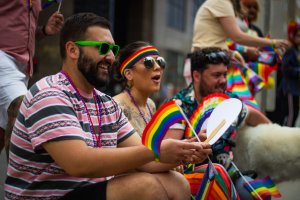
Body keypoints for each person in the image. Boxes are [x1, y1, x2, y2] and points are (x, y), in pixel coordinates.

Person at [4, 12, 212, 200]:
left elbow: (146, 159)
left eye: (113, 49)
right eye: (103, 48)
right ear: (73, 50)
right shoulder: (50, 93)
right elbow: (79, 162)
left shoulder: (106, 104)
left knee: (176, 181)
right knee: (145, 186)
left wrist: (185, 152)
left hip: (88, 192)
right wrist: (156, 150)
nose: (111, 57)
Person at [165, 47, 271, 199]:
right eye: (216, 75)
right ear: (196, 75)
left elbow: (252, 114)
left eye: (225, 74)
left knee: (260, 192)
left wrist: (277, 134)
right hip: (194, 179)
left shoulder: (228, 100)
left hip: (230, 172)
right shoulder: (179, 106)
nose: (222, 80)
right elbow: (168, 154)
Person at [0, 1, 64, 158]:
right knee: (23, 108)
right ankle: (20, 181)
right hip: (2, 58)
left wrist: (45, 30)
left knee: (1, 131)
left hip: (24, 66)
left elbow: (21, 33)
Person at [113, 41, 165, 136]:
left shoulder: (151, 105)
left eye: (160, 61)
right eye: (148, 62)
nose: (158, 67)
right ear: (129, 74)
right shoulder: (115, 107)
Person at [273, 22, 300, 127]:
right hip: (289, 88)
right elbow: (285, 68)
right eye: (298, 35)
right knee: (291, 114)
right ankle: (287, 135)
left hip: (295, 88)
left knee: (294, 113)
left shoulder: (296, 50)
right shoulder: (290, 50)